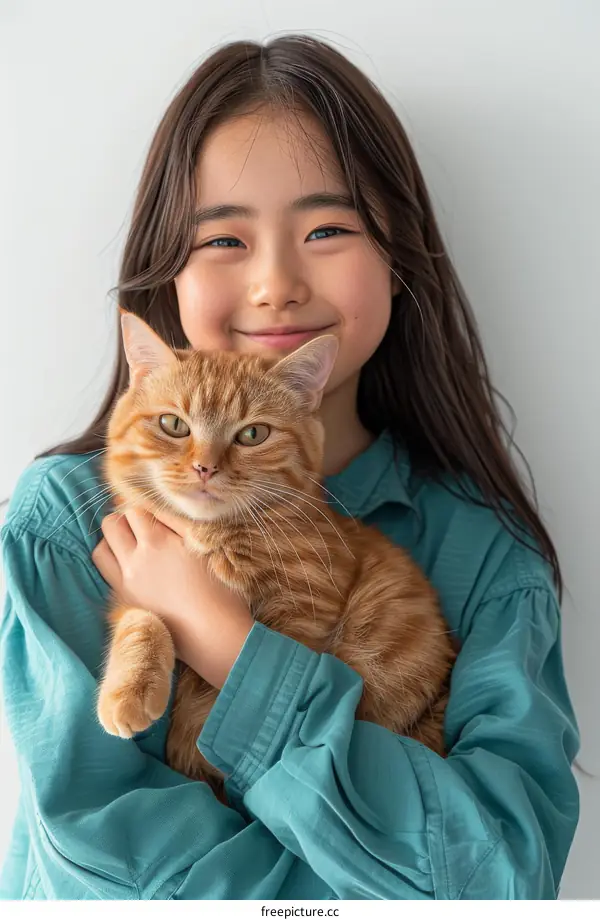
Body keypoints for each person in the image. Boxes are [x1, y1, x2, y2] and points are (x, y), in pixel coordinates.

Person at [0, 35, 579, 900]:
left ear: (399, 254)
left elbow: (502, 878)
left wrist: (226, 642)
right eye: (224, 240)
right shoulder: (65, 521)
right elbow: (100, 852)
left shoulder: (484, 551)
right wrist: (346, 882)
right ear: (167, 268)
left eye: (327, 228)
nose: (275, 283)